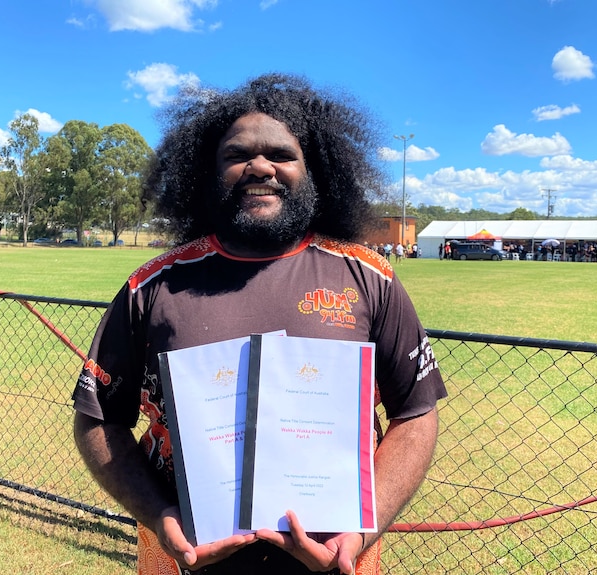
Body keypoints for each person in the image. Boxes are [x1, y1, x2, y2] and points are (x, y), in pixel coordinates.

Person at [72, 73, 447, 575]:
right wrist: (160, 518)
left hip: (334, 561)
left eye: (282, 155)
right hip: (185, 561)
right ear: (207, 170)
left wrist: (360, 531)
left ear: (315, 169)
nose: (260, 167)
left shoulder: (369, 276)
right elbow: (99, 419)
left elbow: (416, 413)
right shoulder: (153, 286)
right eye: (237, 155)